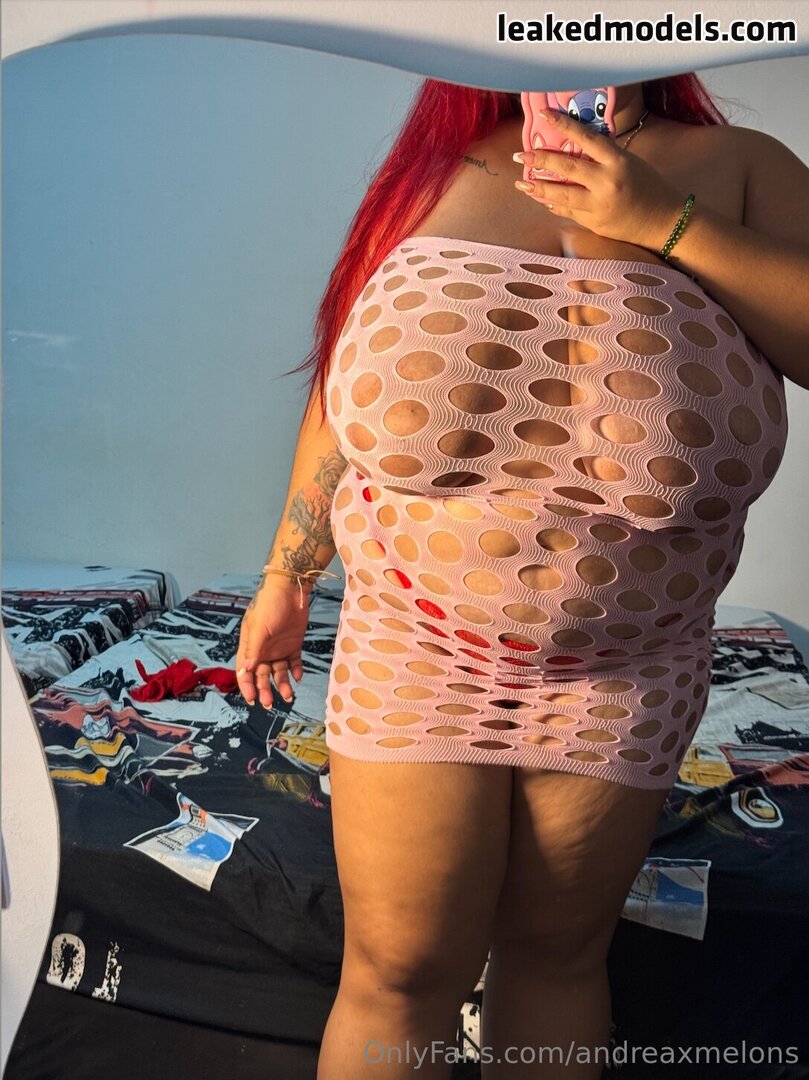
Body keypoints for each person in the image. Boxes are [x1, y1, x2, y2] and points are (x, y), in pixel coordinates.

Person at [235, 75, 809, 1078]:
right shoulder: (431, 173)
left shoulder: (742, 170)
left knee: (556, 958)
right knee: (400, 971)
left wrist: (661, 223)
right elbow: (345, 385)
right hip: (415, 643)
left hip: (627, 670)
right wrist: (288, 571)